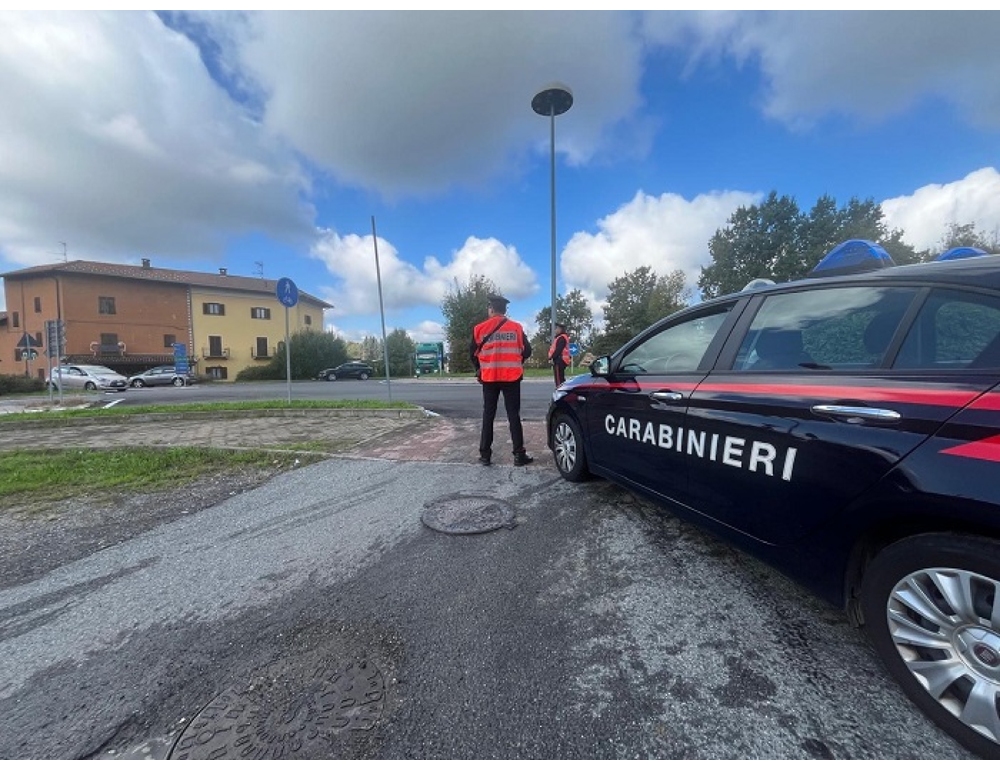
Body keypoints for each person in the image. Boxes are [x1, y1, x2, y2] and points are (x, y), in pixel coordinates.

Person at [470, 294, 533, 467]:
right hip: (511, 377)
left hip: (489, 377)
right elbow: (527, 351)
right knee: (514, 415)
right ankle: (519, 455)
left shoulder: (479, 329)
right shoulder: (516, 328)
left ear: (491, 309)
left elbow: (472, 354)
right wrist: (516, 361)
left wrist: (479, 368)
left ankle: (485, 455)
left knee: (488, 415)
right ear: (505, 310)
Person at [548, 322, 571, 387]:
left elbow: (558, 350)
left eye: (556, 328)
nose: (555, 330)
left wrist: (552, 358)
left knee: (559, 380)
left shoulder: (561, 338)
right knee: (561, 378)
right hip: (562, 360)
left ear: (560, 329)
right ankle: (564, 392)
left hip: (559, 360)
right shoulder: (561, 337)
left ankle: (560, 393)